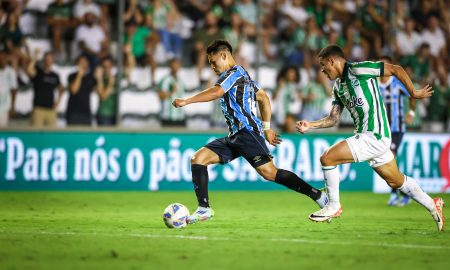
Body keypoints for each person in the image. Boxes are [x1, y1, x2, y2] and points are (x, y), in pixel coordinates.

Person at [172, 40, 328, 224]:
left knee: (269, 173)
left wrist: (187, 101)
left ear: (224, 55)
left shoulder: (233, 73)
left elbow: (216, 92)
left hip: (247, 133)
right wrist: (267, 128)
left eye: (213, 62)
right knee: (198, 159)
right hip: (235, 136)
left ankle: (317, 195)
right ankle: (204, 209)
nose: (212, 67)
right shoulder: (243, 76)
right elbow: (263, 97)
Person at [296, 44, 444, 231]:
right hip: (370, 137)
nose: (322, 70)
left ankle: (333, 205)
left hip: (375, 134)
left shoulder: (359, 69)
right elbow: (333, 118)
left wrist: (413, 92)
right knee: (396, 181)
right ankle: (434, 205)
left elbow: (395, 69)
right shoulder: (338, 87)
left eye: (323, 65)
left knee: (327, 157)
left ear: (332, 60)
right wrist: (311, 125)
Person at [377, 55, 415, 207]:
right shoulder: (374, 84)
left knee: (390, 159)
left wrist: (411, 113)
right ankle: (405, 192)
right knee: (387, 163)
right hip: (382, 130)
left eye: (386, 65)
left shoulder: (398, 83)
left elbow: (413, 94)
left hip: (397, 128)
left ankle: (395, 194)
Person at [27, 49, 64, 128]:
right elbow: (29, 70)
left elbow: (61, 89)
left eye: (50, 59)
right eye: (47, 59)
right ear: (44, 60)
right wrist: (35, 57)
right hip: (38, 108)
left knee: (51, 136)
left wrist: (58, 101)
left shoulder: (55, 75)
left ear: (53, 61)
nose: (48, 61)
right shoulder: (38, 72)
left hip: (51, 110)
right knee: (36, 134)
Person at [66, 55, 96, 126]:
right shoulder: (72, 76)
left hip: (86, 112)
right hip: (73, 112)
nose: (82, 64)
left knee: (86, 136)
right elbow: (74, 90)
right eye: (80, 62)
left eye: (84, 61)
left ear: (88, 64)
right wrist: (79, 75)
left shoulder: (91, 77)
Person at [158, 58, 186, 127]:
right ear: (170, 67)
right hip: (168, 118)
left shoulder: (181, 81)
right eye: (173, 66)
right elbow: (160, 96)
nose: (175, 67)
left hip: (180, 117)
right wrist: (171, 92)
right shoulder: (165, 80)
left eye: (177, 65)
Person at [0, 50, 17, 127]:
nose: (1, 60)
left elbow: (13, 90)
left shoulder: (10, 72)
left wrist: (12, 107)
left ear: (6, 59)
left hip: (4, 107)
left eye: (3, 58)